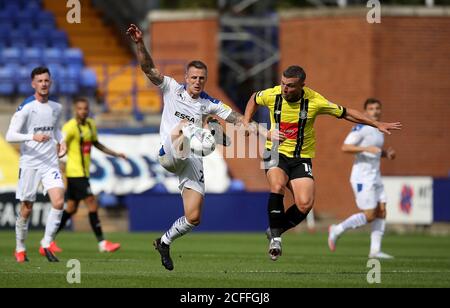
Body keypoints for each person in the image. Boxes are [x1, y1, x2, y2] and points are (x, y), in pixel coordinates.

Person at [243, 65, 402, 261]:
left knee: (305, 204)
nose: (285, 89)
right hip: (275, 151)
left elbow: (347, 113)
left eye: (290, 86)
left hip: (301, 156)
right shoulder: (272, 94)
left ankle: (276, 229)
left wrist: (376, 124)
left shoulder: (315, 101)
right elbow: (253, 98)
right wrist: (247, 121)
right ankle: (276, 239)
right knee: (277, 185)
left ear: (302, 85)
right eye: (283, 84)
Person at [127, 24, 250, 271]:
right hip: (170, 151)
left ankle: (164, 241)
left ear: (205, 81)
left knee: (194, 217)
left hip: (191, 159)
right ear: (186, 78)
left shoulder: (209, 102)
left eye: (201, 78)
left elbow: (236, 118)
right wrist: (140, 43)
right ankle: (209, 134)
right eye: (193, 77)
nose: (197, 81)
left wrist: (255, 127)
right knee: (184, 128)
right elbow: (148, 69)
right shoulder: (171, 88)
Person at [6, 67, 67, 263]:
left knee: (58, 201)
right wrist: (32, 136)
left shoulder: (56, 107)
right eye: (39, 81)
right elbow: (10, 135)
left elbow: (56, 129)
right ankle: (20, 248)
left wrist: (62, 141)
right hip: (30, 163)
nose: (43, 84)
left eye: (46, 80)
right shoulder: (26, 107)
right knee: (26, 208)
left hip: (50, 162)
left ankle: (46, 243)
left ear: (50, 82)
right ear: (33, 84)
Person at [51, 97, 124, 253]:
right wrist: (59, 165)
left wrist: (115, 153)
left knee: (71, 209)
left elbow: (96, 143)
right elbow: (59, 146)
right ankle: (102, 243)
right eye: (80, 109)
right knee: (92, 203)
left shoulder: (90, 124)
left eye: (85, 108)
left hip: (83, 173)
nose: (83, 111)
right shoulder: (69, 127)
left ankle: (48, 240)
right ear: (75, 110)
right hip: (74, 173)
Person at [328, 98, 396, 259]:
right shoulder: (361, 127)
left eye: (377, 108)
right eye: (371, 109)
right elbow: (345, 147)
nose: (375, 111)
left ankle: (375, 250)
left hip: (375, 175)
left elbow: (374, 151)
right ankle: (337, 229)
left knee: (382, 210)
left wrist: (386, 154)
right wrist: (366, 148)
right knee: (370, 215)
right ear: (365, 112)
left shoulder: (379, 129)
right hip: (362, 177)